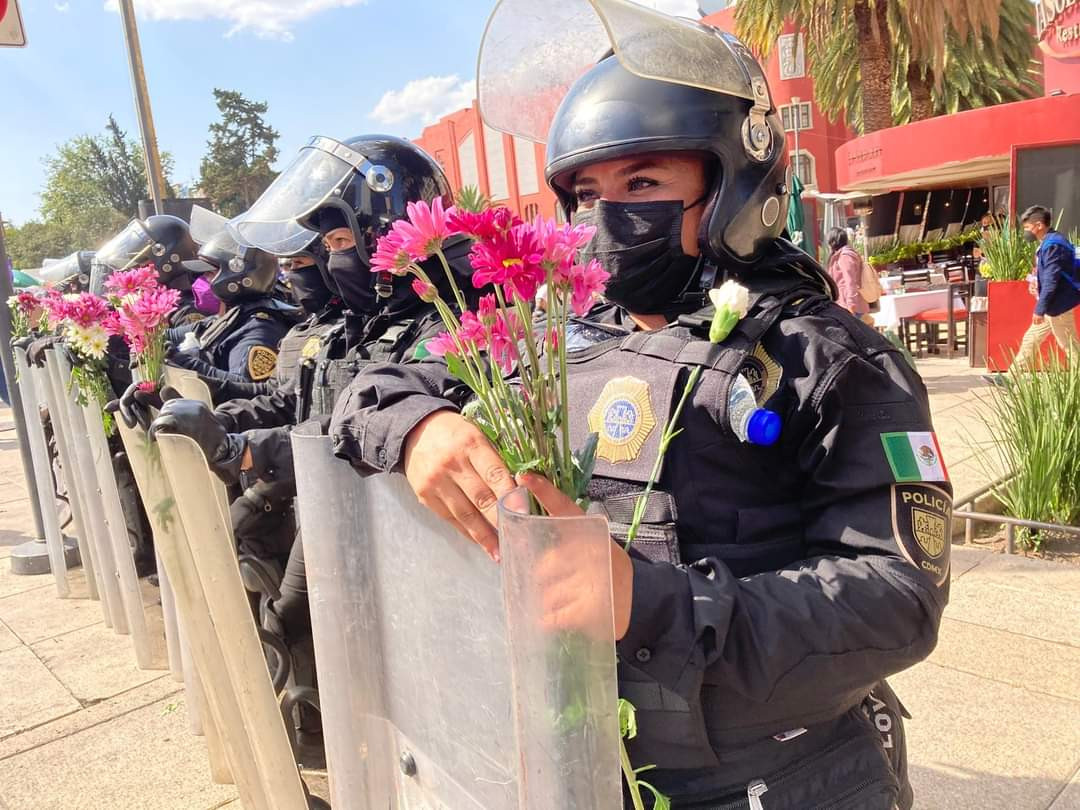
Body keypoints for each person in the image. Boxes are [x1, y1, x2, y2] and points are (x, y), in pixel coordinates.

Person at [329, 19, 948, 810]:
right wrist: (418, 427)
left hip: (778, 779)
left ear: (733, 184)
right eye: (588, 195)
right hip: (584, 764)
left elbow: (898, 596)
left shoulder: (827, 358)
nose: (608, 217)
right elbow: (367, 389)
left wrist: (651, 605)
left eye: (644, 185)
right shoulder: (558, 340)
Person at [146, 134, 473, 767]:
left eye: (342, 243)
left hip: (409, 544)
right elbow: (297, 405)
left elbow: (352, 435)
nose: (327, 261)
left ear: (392, 233)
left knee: (315, 621)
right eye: (326, 249)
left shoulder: (448, 327)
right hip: (335, 515)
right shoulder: (363, 326)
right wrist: (211, 418)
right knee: (296, 616)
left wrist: (244, 448)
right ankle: (322, 738)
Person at [1008, 205, 1080, 372]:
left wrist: (1039, 309)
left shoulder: (1053, 246)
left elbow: (1051, 280)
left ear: (1039, 225)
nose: (1025, 231)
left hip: (1058, 306)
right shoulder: (1050, 242)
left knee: (1071, 347)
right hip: (1054, 305)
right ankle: (1010, 378)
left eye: (1027, 227)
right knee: (1030, 339)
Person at [826, 226, 873, 325]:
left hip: (851, 306)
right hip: (847, 304)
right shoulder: (840, 255)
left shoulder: (845, 256)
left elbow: (850, 281)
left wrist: (851, 305)